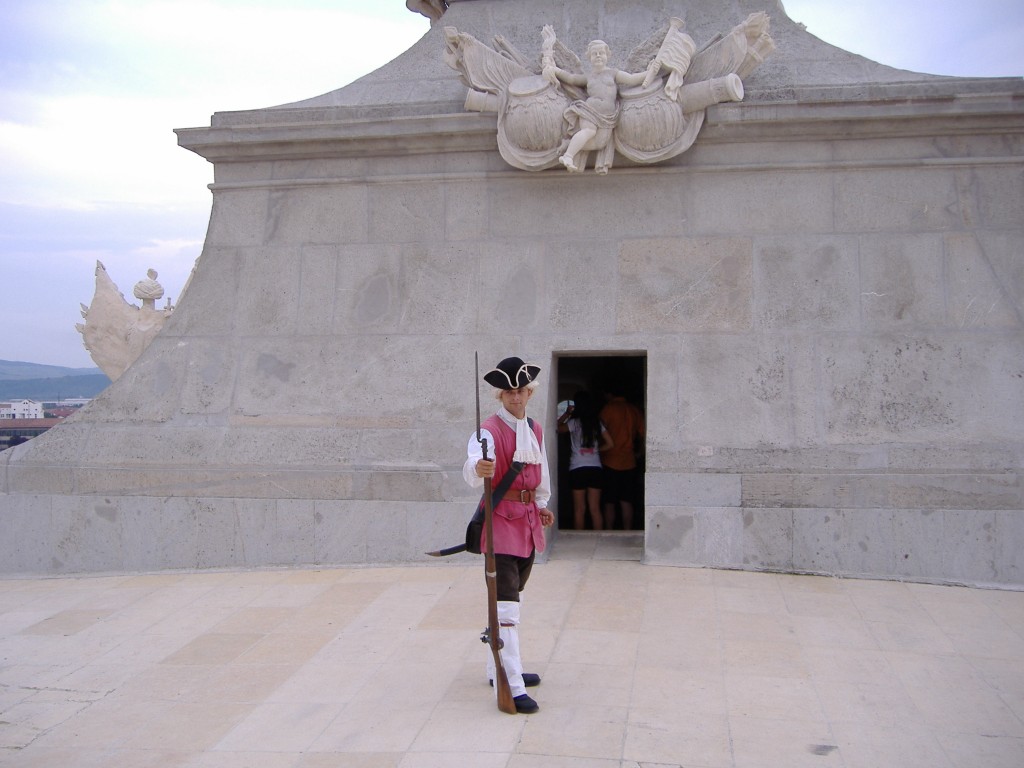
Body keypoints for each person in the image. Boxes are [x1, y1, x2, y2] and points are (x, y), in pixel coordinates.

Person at [463, 356, 555, 714]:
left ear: (529, 393)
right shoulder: (488, 430)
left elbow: (541, 471)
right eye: (509, 392)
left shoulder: (534, 429)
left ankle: (496, 668)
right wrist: (479, 466)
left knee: (512, 601)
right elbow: (472, 464)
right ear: (500, 395)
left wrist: (541, 504)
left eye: (521, 391)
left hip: (527, 525)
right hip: (500, 526)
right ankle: (512, 685)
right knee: (506, 610)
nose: (515, 397)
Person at [542, 35, 650, 173]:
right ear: (589, 57)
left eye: (601, 53)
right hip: (589, 110)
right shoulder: (589, 76)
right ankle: (568, 156)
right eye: (594, 54)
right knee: (589, 131)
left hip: (608, 116)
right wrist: (555, 70)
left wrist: (649, 72)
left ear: (608, 55)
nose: (598, 56)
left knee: (600, 143)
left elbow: (632, 79)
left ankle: (570, 144)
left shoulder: (613, 73)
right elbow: (571, 79)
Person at [557, 390, 613, 530]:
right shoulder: (597, 423)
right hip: (595, 468)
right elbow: (610, 444)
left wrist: (567, 413)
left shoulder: (574, 423)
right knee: (595, 509)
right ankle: (599, 538)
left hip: (577, 468)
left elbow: (557, 427)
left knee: (579, 509)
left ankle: (579, 539)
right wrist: (596, 450)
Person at [599, 386, 645, 530]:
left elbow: (599, 431)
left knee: (609, 501)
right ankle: (628, 531)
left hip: (610, 460)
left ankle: (608, 531)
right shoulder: (634, 410)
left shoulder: (608, 409)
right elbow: (644, 435)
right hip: (630, 461)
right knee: (627, 501)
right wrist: (640, 452)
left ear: (609, 393)